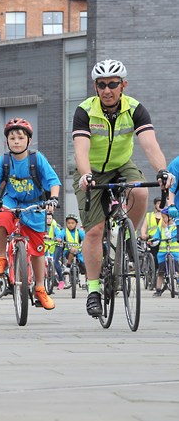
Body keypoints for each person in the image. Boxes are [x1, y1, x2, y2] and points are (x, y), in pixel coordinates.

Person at [72, 59, 174, 317]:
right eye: (102, 84)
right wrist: (85, 175)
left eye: (113, 84)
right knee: (94, 231)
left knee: (140, 191)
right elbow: (81, 151)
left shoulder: (136, 109)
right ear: (95, 87)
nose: (107, 90)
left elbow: (149, 144)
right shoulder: (84, 110)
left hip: (121, 165)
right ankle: (94, 291)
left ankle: (127, 239)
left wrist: (162, 171)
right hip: (92, 171)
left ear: (123, 85)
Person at [0, 118, 61, 310]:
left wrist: (53, 199)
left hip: (35, 204)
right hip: (11, 202)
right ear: (7, 141)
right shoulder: (4, 161)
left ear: (28, 141)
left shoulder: (37, 158)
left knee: (38, 250)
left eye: (20, 137)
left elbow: (53, 181)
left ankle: (40, 288)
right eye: (12, 137)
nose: (16, 141)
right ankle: (1, 258)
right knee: (0, 218)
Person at [151, 208, 178, 297]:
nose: (162, 219)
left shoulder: (175, 226)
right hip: (162, 252)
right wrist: (152, 242)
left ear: (170, 217)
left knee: (178, 270)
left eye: (164, 217)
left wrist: (166, 228)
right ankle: (158, 290)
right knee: (161, 272)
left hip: (175, 252)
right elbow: (157, 237)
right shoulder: (160, 226)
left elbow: (171, 238)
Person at [59, 213, 85, 284]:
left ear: (76, 224)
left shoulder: (79, 232)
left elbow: (85, 237)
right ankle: (68, 267)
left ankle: (87, 282)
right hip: (68, 251)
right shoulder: (64, 231)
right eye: (69, 223)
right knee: (72, 250)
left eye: (72, 223)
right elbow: (60, 235)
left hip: (78, 252)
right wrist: (59, 239)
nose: (70, 225)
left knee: (85, 267)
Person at [140, 196, 163, 274]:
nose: (160, 205)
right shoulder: (149, 215)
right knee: (153, 256)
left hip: (162, 239)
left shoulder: (166, 215)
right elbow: (144, 227)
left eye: (161, 203)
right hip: (152, 240)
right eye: (158, 203)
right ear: (155, 205)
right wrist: (143, 234)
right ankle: (152, 272)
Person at [44, 212, 64, 289]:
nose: (48, 220)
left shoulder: (54, 225)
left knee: (55, 262)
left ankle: (61, 280)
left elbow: (59, 233)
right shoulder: (42, 224)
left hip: (52, 246)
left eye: (50, 218)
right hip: (44, 246)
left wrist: (58, 237)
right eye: (47, 218)